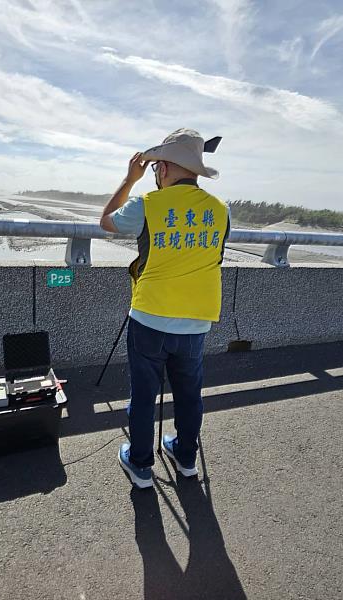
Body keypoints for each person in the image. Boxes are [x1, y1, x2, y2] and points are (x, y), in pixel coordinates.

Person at [100, 128, 230, 488]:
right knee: (190, 394)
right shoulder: (221, 211)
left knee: (144, 394)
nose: (155, 172)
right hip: (197, 321)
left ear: (168, 168)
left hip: (150, 318)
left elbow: (106, 221)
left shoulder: (148, 205)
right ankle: (185, 458)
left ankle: (140, 464)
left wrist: (129, 180)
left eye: (157, 166)